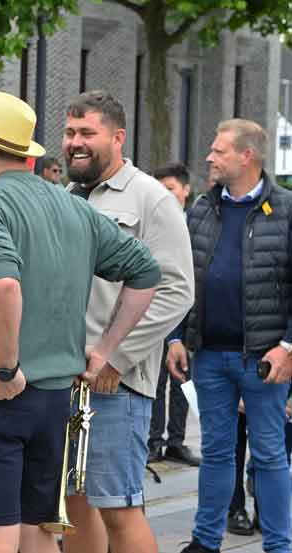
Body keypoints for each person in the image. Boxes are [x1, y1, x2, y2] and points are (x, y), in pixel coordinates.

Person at [0, 90, 161, 553]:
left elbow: (3, 283)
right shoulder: (73, 205)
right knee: (40, 536)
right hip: (53, 399)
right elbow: (146, 271)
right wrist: (104, 351)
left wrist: (5, 367)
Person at [62, 91, 194, 553]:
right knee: (74, 505)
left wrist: (115, 356)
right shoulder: (67, 197)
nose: (75, 142)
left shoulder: (152, 200)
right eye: (69, 132)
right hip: (65, 377)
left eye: (87, 133)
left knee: (119, 507)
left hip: (114, 383)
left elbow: (176, 289)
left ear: (118, 138)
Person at [170, 119, 292, 553]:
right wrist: (175, 337)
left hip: (263, 359)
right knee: (218, 455)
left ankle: (280, 546)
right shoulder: (203, 208)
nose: (209, 157)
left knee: (270, 455)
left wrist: (288, 347)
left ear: (247, 157)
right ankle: (205, 542)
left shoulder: (286, 209)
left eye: (219, 151)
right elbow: (183, 279)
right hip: (209, 356)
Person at [146, 162, 199, 466]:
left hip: (187, 314)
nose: (164, 196)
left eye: (170, 190)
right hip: (156, 311)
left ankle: (176, 441)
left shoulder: (196, 223)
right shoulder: (153, 222)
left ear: (185, 190)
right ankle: (154, 440)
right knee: (156, 381)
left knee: (182, 381)